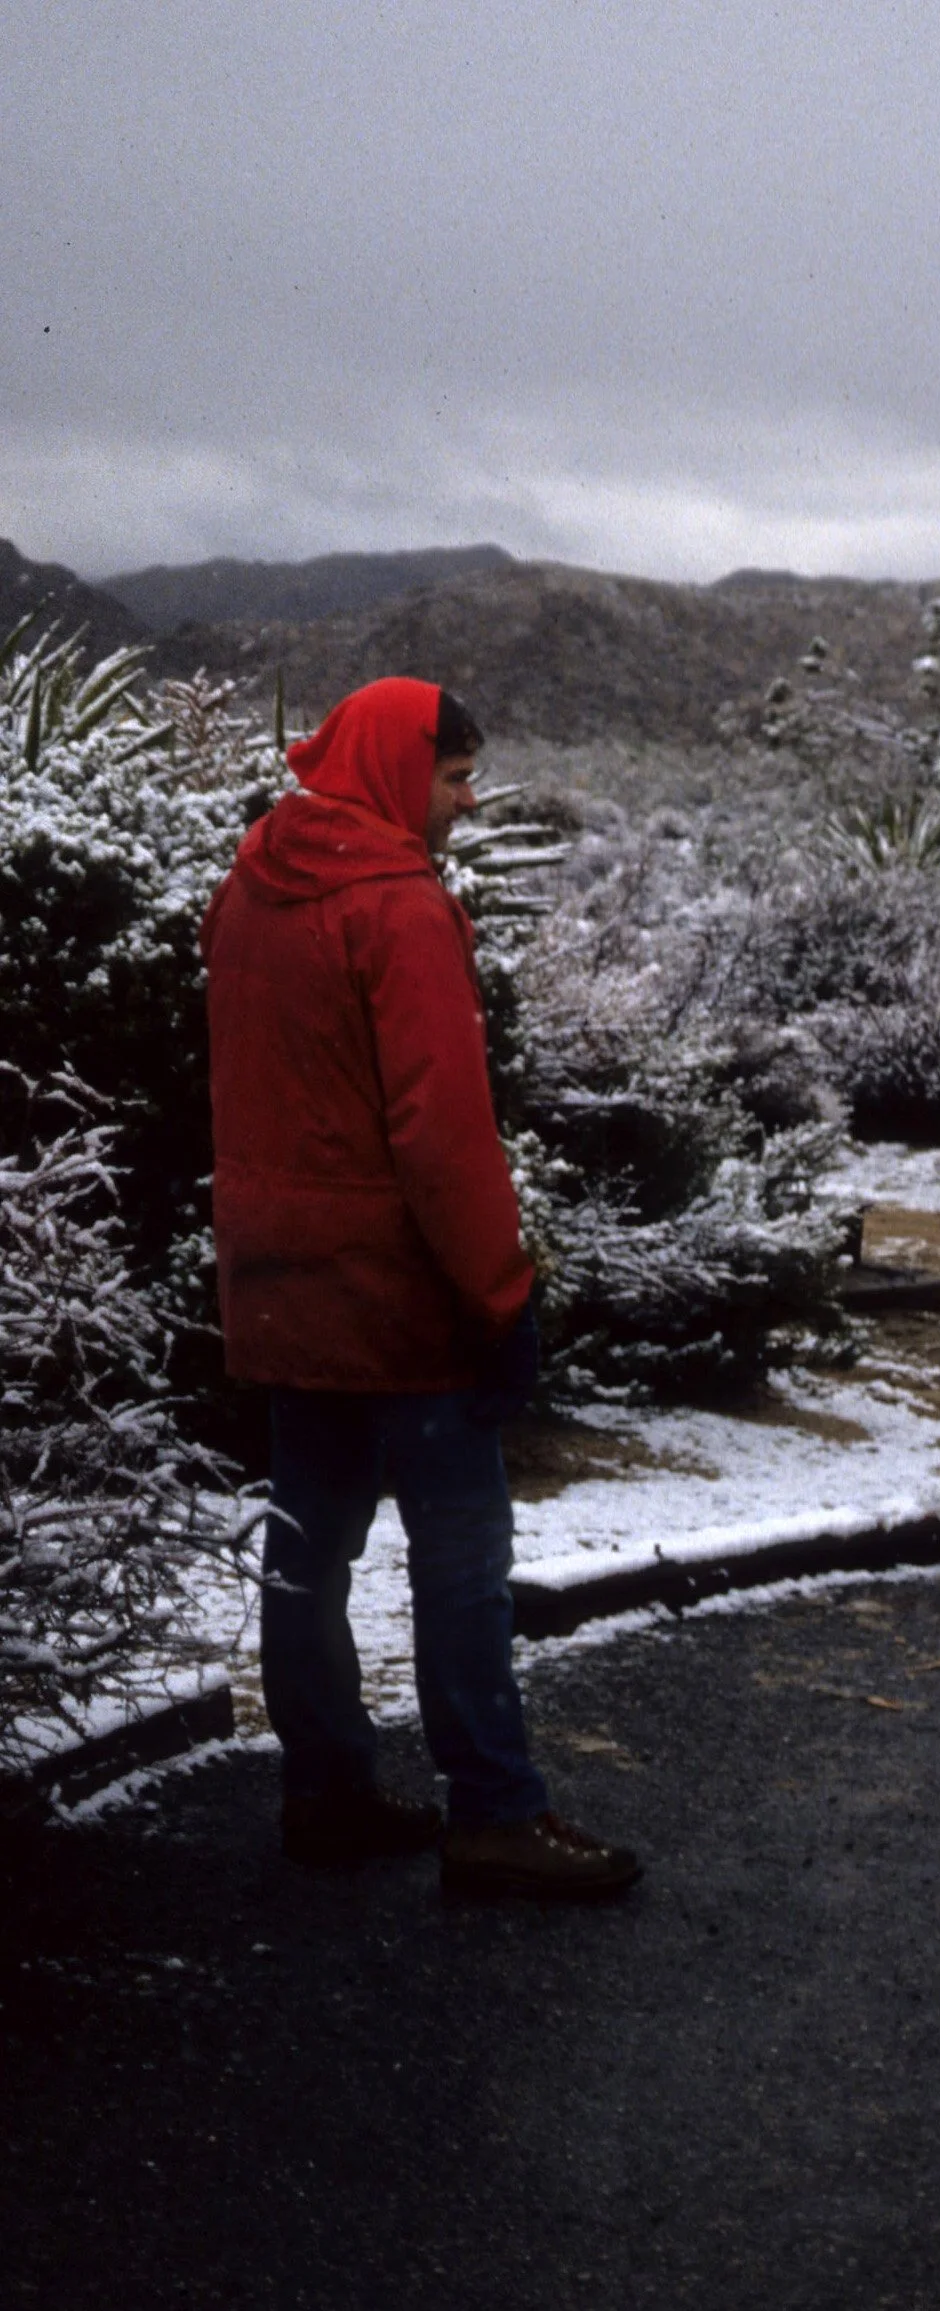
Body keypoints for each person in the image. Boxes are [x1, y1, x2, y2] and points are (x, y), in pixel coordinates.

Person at [201, 676, 641, 1897]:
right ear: (400, 772)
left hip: (281, 1280)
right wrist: (500, 1295)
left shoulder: (246, 889)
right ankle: (494, 1812)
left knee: (308, 1549)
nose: (467, 801)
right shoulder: (400, 909)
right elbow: (443, 1135)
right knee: (459, 1557)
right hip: (399, 1293)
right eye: (455, 778)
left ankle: (326, 1790)